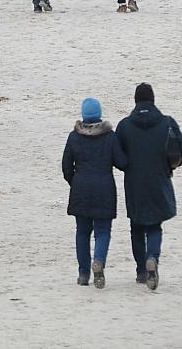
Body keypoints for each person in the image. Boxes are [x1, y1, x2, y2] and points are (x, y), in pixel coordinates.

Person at [115, 83, 182, 290]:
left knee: (136, 227)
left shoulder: (125, 126)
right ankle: (153, 258)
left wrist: (128, 166)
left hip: (134, 183)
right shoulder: (167, 123)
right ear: (153, 100)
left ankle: (140, 271)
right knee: (155, 225)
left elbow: (118, 156)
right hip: (159, 179)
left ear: (136, 101)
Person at [62, 97, 127, 289]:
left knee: (82, 232)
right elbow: (122, 162)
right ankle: (98, 261)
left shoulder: (74, 136)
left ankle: (83, 273)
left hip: (80, 188)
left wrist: (75, 181)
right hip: (104, 188)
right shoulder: (109, 136)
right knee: (102, 231)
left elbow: (66, 166)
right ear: (99, 114)